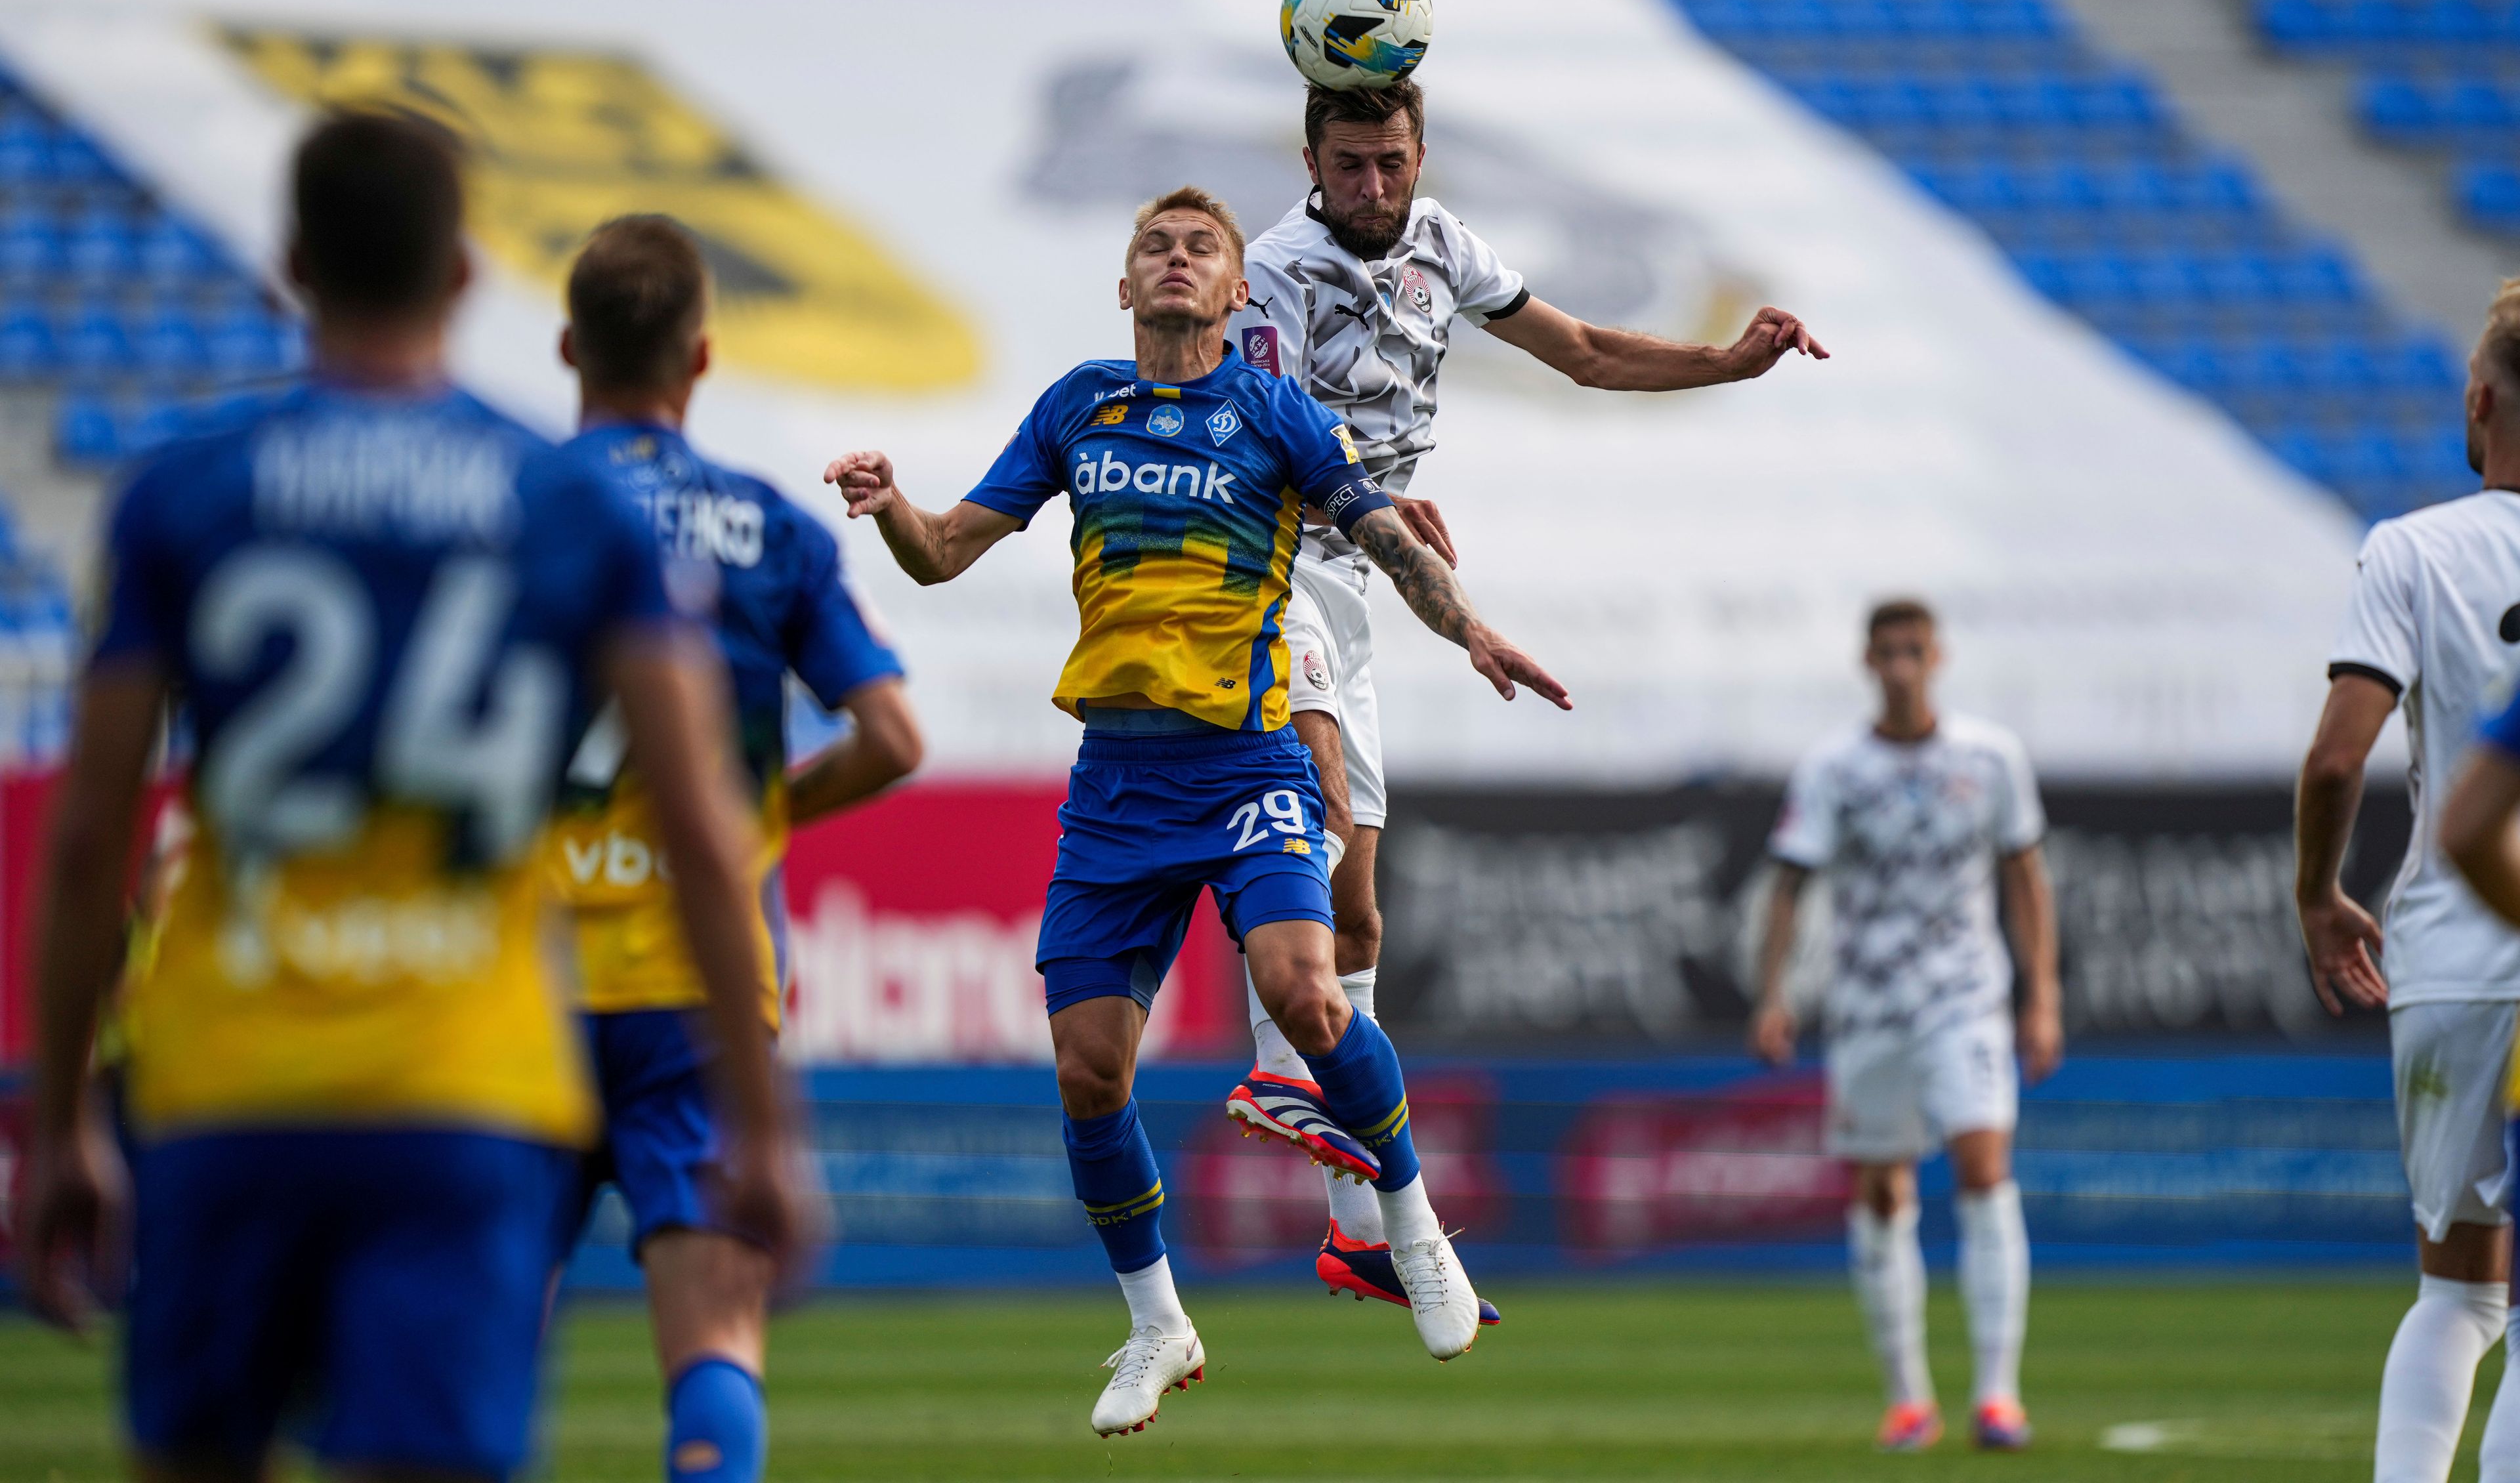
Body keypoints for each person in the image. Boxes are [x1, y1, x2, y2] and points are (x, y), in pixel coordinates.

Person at [17, 114, 804, 1482]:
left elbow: (92, 837)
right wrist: (766, 1123)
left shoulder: (182, 498)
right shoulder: (568, 511)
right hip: (467, 1079)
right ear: (460, 275)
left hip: (226, 1073)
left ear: (295, 266)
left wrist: (67, 1109)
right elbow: (700, 824)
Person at [824, 185, 1568, 1434]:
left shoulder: (1277, 410)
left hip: (1245, 763)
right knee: (1087, 1072)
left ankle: (1414, 1225)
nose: (1177, 262)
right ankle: (1158, 1325)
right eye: (1155, 248)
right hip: (1116, 788)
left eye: (1201, 250)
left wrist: (1473, 628)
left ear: (1236, 293)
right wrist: (892, 502)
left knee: (1306, 987)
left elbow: (1383, 536)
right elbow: (947, 549)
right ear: (1126, 287)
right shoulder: (1078, 405)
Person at [1217, 77, 1827, 1306]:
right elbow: (1264, 435)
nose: (1374, 187)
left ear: (1422, 151)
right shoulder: (1276, 272)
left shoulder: (1445, 246)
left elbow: (1588, 353)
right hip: (1270, 563)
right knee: (1320, 818)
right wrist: (1383, 512)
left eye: (1391, 161)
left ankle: (1357, 1233)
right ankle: (1285, 1070)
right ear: (1310, 159)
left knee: (1365, 921)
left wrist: (1727, 363)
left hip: (1360, 582)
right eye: (1350, 165)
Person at [545, 215, 922, 1483]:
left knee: (473, 1352)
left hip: (510, 988)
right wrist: (759, 818)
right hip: (696, 990)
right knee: (713, 1339)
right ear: (699, 357)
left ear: (567, 347)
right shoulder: (770, 529)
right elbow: (893, 738)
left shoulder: (504, 509)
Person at [1748, 598, 2057, 1454]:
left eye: (1913, 651)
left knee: (1984, 1167)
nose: (1900, 667)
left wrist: (2043, 999)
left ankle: (1999, 1395)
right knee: (1884, 1193)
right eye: (1886, 652)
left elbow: (2026, 875)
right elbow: (1790, 885)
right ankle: (1910, 1398)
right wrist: (1775, 995)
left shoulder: (1991, 758)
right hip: (1867, 1004)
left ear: (1938, 657)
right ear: (1867, 662)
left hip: (1966, 998)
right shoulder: (1834, 768)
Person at [2305, 276, 2520, 1483]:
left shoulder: (2413, 549)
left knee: (2457, 1289)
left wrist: (2317, 897)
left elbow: (2340, 754)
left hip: (2446, 960)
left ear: (2479, 401)